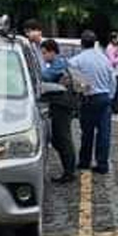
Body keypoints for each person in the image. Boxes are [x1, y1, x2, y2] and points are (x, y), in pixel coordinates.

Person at [70, 32, 116, 174]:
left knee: (87, 132)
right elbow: (112, 80)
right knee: (104, 133)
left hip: (88, 98)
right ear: (95, 43)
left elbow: (77, 84)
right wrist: (111, 96)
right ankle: (102, 164)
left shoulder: (76, 61)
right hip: (104, 98)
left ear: (82, 44)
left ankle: (85, 161)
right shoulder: (104, 59)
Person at [39, 39, 79, 183]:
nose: (43, 56)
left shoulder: (58, 63)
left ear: (52, 51)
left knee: (63, 138)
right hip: (61, 105)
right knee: (59, 138)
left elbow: (45, 76)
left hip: (63, 105)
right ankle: (69, 169)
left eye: (44, 53)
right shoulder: (60, 62)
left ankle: (69, 172)